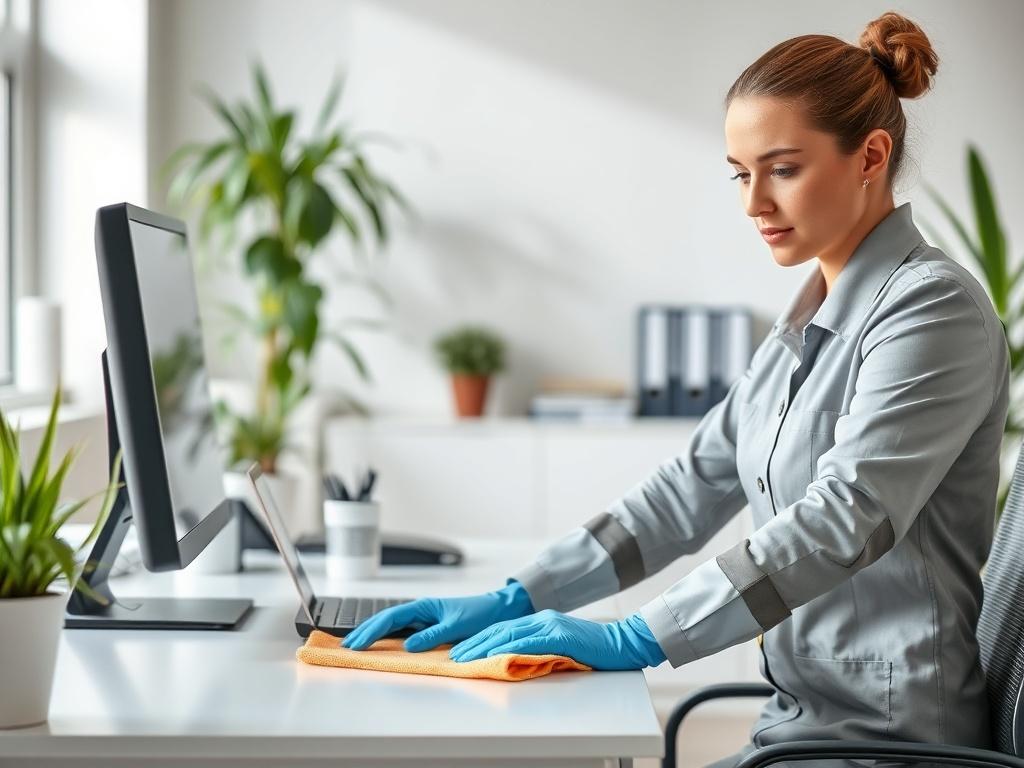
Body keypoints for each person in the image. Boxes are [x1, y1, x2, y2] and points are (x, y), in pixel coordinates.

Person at [343, 11, 1009, 765]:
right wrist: (522, 593)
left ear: (870, 156)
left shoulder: (931, 309)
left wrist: (640, 636)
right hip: (804, 722)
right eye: (740, 172)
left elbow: (844, 520)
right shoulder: (805, 323)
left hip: (891, 741)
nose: (752, 202)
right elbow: (685, 490)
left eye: (783, 168)